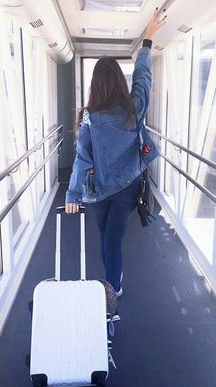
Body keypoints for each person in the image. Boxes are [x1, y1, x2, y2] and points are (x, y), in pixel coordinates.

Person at [65, 8, 167, 296]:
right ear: (119, 83)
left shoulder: (88, 116)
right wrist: (147, 40)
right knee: (113, 239)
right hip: (127, 186)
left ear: (95, 85)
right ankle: (114, 286)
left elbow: (82, 158)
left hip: (96, 190)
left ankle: (112, 284)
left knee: (105, 237)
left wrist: (73, 195)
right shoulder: (133, 110)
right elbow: (144, 79)